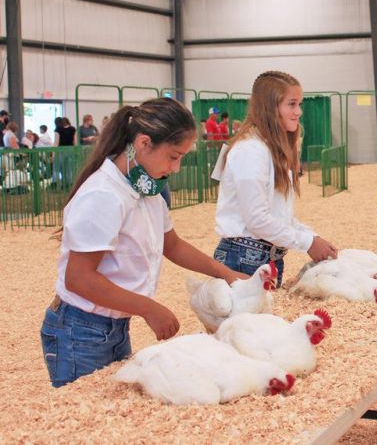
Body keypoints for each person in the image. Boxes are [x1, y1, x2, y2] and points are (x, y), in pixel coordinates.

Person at [39, 98, 248, 388]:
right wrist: (148, 308)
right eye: (174, 156)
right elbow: (79, 279)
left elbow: (172, 245)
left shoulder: (147, 189)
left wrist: (225, 273)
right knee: (85, 420)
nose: (176, 168)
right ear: (143, 143)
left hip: (112, 327)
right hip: (79, 330)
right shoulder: (103, 195)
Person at [212, 71, 337, 287]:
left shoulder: (270, 149)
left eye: (299, 104)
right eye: (291, 104)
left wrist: (313, 237)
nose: (298, 112)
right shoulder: (250, 149)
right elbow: (257, 219)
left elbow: (277, 216)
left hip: (266, 256)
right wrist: (308, 242)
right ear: (270, 107)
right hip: (244, 257)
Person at [54, 117, 77, 189]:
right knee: (69, 169)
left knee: (58, 169)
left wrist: (53, 153)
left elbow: (56, 142)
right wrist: (75, 151)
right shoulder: (73, 129)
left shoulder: (58, 129)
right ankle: (69, 184)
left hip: (61, 151)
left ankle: (57, 185)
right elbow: (75, 141)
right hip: (71, 150)